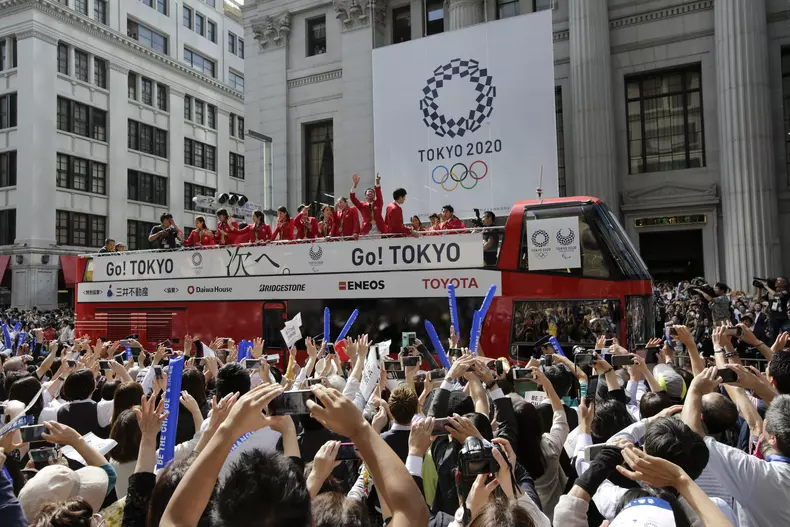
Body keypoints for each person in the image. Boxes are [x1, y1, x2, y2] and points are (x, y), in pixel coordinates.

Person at [683, 367, 790, 526]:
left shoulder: (760, 476)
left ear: (772, 438)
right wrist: (757, 385)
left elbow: (693, 436)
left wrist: (695, 389)